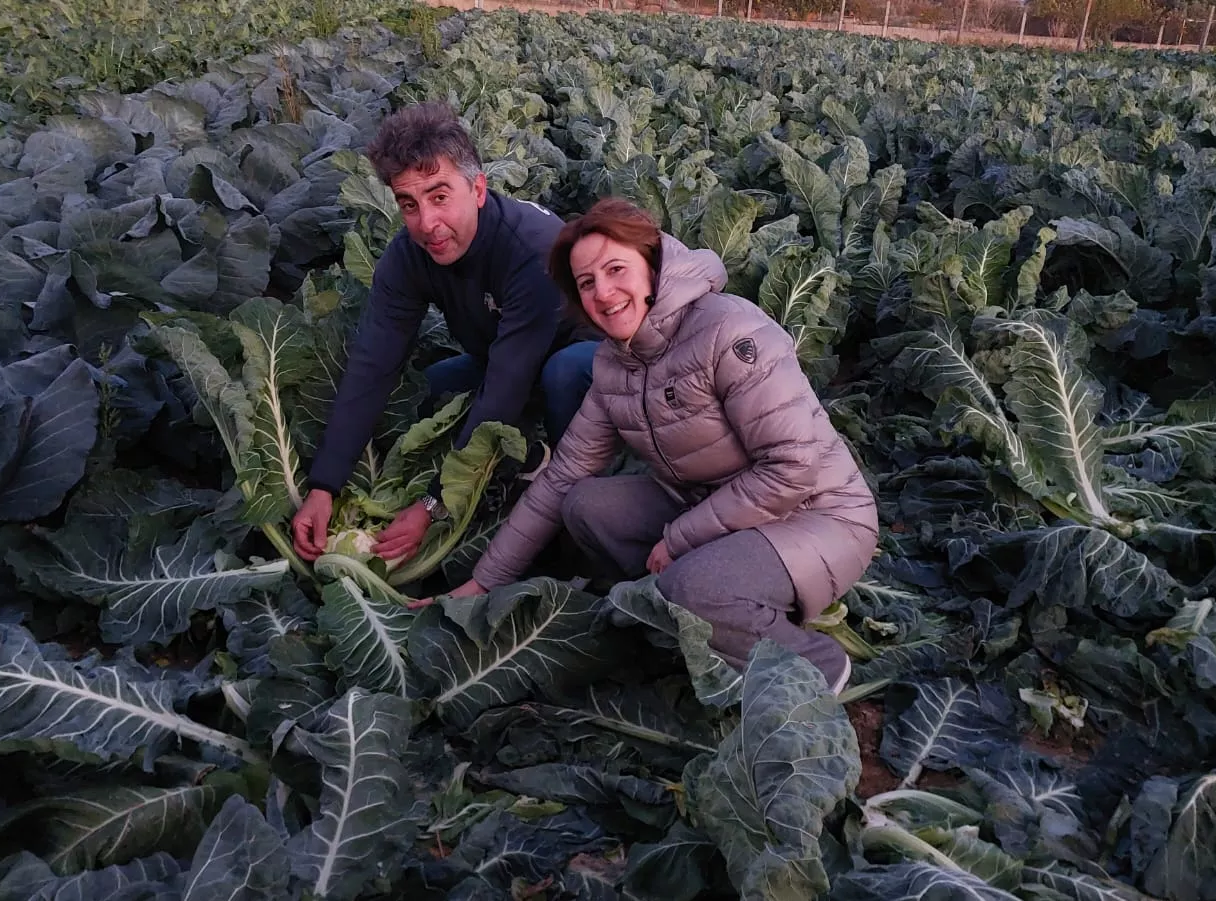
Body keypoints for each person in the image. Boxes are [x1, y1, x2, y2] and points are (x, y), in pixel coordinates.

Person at [436, 197, 879, 693]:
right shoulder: (615, 365)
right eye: (587, 283)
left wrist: (680, 538)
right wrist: (483, 581)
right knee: (583, 505)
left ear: (652, 265)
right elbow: (562, 477)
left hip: (817, 513)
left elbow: (792, 467)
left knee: (692, 587)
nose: (604, 292)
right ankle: (703, 610)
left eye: (615, 269)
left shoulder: (728, 328)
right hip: (709, 505)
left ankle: (816, 662)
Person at [293, 102, 600, 563]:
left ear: (477, 189)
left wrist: (434, 504)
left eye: (440, 197)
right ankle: (523, 456)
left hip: (583, 361)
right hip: (501, 357)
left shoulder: (530, 250)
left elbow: (504, 387)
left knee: (560, 374)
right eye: (409, 205)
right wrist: (324, 483)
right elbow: (373, 364)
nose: (427, 224)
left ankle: (572, 491)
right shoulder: (407, 257)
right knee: (428, 387)